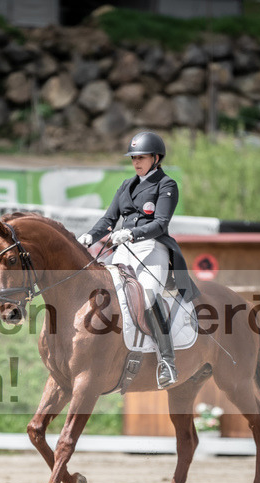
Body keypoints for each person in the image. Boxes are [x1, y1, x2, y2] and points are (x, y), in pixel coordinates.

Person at [78, 131, 200, 389]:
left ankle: (167, 361)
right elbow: (109, 220)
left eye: (141, 157)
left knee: (148, 297)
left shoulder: (166, 185)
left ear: (156, 158)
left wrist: (132, 232)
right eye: (133, 158)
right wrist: (90, 236)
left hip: (152, 249)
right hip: (122, 249)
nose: (136, 162)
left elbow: (160, 223)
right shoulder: (126, 185)